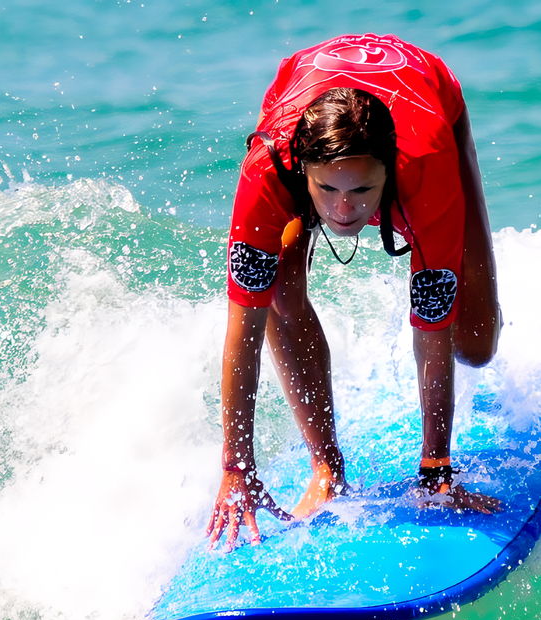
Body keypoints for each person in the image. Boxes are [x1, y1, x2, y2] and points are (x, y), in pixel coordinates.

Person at [207, 34, 503, 547]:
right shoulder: (267, 172)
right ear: (303, 171)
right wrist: (236, 468)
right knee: (274, 285)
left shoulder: (425, 173)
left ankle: (479, 300)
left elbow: (431, 335)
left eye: (363, 191)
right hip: (302, 90)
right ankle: (327, 468)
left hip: (427, 93)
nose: (345, 211)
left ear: (390, 172)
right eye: (328, 191)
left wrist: (435, 474)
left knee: (473, 343)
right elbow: (243, 328)